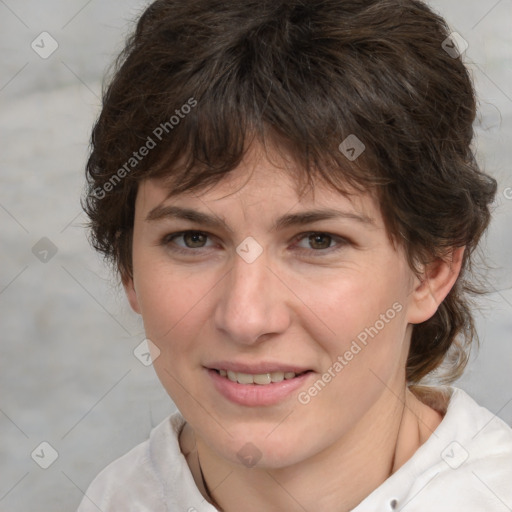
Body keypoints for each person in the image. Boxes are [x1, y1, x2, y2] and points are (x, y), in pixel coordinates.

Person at [78, 0, 512, 510]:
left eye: (318, 241)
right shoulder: (115, 500)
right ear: (129, 267)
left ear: (431, 271)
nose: (245, 318)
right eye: (193, 238)